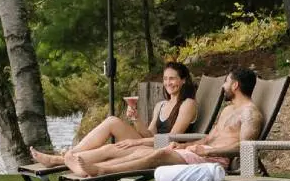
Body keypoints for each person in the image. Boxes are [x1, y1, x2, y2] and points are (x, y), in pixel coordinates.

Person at [71, 66, 263, 177]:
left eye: (226, 82)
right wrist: (183, 144)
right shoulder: (228, 110)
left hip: (213, 161)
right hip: (196, 154)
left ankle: (103, 171)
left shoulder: (250, 114)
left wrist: (209, 151)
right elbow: (207, 139)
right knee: (140, 151)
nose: (223, 86)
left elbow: (245, 147)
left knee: (158, 155)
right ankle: (88, 166)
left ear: (236, 85)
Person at [30, 61, 198, 168]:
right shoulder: (161, 105)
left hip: (168, 150)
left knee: (110, 148)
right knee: (112, 120)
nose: (168, 83)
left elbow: (171, 138)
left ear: (183, 80)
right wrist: (136, 119)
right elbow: (149, 134)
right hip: (151, 143)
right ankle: (70, 154)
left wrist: (136, 142)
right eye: (166, 79)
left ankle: (58, 160)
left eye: (173, 79)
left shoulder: (187, 104)